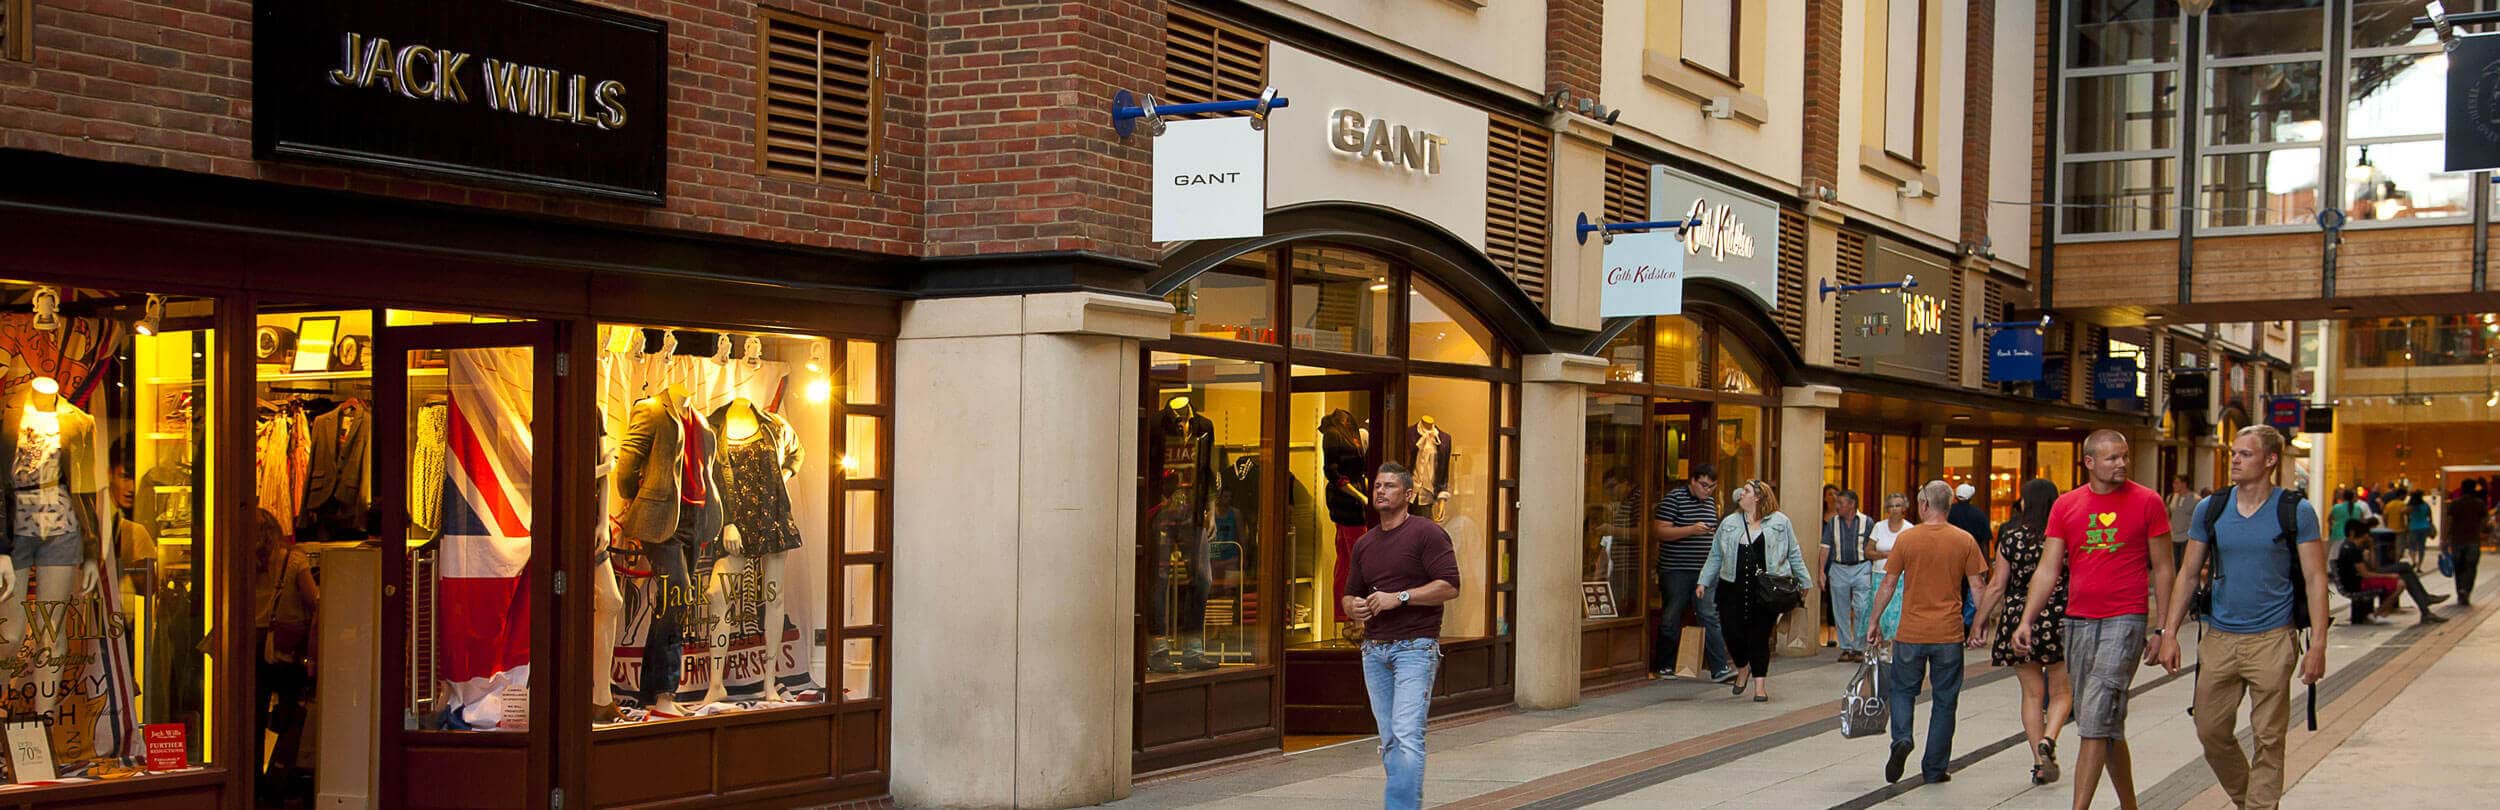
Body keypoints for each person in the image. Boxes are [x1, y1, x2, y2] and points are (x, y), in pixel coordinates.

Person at [2154, 426, 2329, 810]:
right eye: (2234, 453)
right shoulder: (2211, 509)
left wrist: (2317, 644)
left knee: (2269, 737)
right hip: (2219, 638)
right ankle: (2249, 798)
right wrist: (2168, 633)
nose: (2234, 459)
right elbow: (2187, 573)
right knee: (2210, 731)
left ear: (2270, 461)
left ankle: (2259, 807)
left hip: (2273, 638)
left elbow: (2316, 578)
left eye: (2245, 454)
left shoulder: (2295, 510)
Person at [2014, 429, 2178, 810]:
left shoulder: (2148, 502)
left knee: (2096, 716)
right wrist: (2027, 620)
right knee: (2104, 722)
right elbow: (2048, 568)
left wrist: (2164, 629)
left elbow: (2165, 569)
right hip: (2077, 621)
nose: (2121, 463)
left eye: (2123, 456)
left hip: (2126, 618)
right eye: (2111, 458)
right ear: (2089, 462)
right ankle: (2130, 806)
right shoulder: (2067, 505)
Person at [1339, 462, 1460, 810]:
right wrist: (1354, 608)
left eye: (1389, 486)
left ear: (1408, 495)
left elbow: (1450, 586)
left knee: (1407, 735)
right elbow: (1349, 594)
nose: (1380, 491)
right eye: (1377, 485)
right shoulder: (1364, 544)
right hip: (1374, 651)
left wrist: (1401, 597)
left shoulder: (1427, 533)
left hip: (1415, 648)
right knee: (1390, 739)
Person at [1867, 481, 1987, 785]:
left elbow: (1888, 583)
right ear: (1948, 506)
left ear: (1923, 506)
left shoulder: (1907, 540)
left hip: (1911, 632)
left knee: (1903, 690)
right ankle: (1934, 768)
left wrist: (1874, 621)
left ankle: (1902, 739)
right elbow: (1977, 586)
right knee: (1945, 700)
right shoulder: (1965, 540)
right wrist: (1980, 624)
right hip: (1948, 634)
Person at [1974, 478, 2071, 786]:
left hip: (2018, 616)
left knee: (2031, 694)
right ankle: (2050, 739)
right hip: (2058, 614)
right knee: (2061, 692)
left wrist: (1979, 621)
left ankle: (2037, 760)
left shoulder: (2010, 534)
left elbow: (1997, 584)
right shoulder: (2065, 532)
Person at [1698, 480, 1810, 702]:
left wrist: (1804, 580)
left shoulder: (1780, 522)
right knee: (1732, 633)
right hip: (1731, 586)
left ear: (1758, 497)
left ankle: (1760, 685)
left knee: (1759, 635)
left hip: (1765, 589)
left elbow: (1793, 552)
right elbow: (1716, 555)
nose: (1741, 493)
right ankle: (1742, 667)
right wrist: (1704, 581)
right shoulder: (1730, 522)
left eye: (1747, 491)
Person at [252, 508, 320, 800]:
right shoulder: (294, 560)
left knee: (252, 716)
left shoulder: (240, 559)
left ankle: (252, 778)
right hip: (285, 650)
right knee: (293, 714)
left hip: (251, 645)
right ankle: (281, 774)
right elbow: (315, 600)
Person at [1652, 464, 1733, 682]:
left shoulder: (1709, 502)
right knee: (1672, 614)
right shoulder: (1674, 498)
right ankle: (1665, 665)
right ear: (1693, 481)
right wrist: (1691, 529)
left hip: (1704, 571)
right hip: (1676, 569)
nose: (1708, 491)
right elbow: (1659, 531)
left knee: (1708, 614)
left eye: (1712, 487)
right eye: (1704, 485)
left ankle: (1719, 668)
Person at [1823, 490, 1875, 663]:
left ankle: (1859, 647)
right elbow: (1825, 548)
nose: (1837, 506)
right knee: (1840, 609)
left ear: (1852, 504)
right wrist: (1821, 572)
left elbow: (1871, 546)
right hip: (1839, 568)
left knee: (1862, 607)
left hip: (1862, 566)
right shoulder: (1832, 523)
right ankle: (1846, 648)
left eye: (1840, 503)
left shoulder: (1867, 522)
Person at [1863, 493, 1912, 641]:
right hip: (1879, 576)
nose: (1894, 509)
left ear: (1904, 508)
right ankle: (1881, 649)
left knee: (1897, 616)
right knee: (1881, 615)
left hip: (1901, 579)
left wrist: (1897, 557)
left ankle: (1895, 648)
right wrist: (1885, 555)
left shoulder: (1910, 528)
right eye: (1891, 506)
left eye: (1898, 505)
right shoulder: (1879, 526)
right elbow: (1868, 552)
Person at [2446, 479, 2488, 608]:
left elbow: (2449, 522)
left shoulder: (2455, 504)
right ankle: (2466, 591)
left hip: (2457, 540)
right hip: (2473, 540)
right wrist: (2480, 530)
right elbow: (2485, 521)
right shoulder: (2479, 504)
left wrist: (2445, 538)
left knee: (2458, 568)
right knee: (2471, 567)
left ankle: (2460, 592)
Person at [2167, 476, 2198, 566]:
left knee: (2185, 564)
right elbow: (2168, 515)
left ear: (2184, 484)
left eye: (2176, 483)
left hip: (2187, 536)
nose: (2174, 485)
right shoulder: (2171, 497)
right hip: (2174, 536)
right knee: (2174, 564)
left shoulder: (2195, 499)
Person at [2404, 489, 2432, 568]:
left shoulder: (2411, 507)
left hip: (2413, 527)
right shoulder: (2426, 505)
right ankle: (2419, 565)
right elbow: (2429, 517)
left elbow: (2405, 513)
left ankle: (2413, 561)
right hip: (2424, 527)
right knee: (2421, 546)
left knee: (2412, 545)